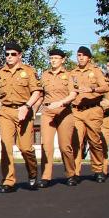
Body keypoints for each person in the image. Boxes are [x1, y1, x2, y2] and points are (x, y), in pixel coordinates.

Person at [0, 42, 42, 191]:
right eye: (7, 54)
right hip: (6, 112)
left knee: (26, 148)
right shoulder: (0, 73)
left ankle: (32, 174)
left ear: (19, 55)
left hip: (23, 111)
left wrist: (27, 107)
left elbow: (37, 91)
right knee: (6, 147)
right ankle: (8, 181)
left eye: (13, 54)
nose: (9, 57)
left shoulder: (28, 71)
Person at [35, 48, 78, 187]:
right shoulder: (45, 75)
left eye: (56, 58)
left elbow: (73, 94)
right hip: (48, 111)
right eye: (51, 58)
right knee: (46, 145)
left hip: (64, 111)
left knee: (65, 146)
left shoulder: (69, 75)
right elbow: (40, 95)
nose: (53, 60)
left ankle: (71, 174)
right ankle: (46, 177)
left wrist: (61, 102)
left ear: (63, 60)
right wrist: (33, 111)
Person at [69, 46, 109, 185]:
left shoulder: (96, 71)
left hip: (93, 110)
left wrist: (92, 89)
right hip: (77, 111)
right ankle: (74, 173)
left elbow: (105, 87)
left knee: (94, 141)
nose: (80, 57)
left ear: (89, 58)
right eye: (78, 55)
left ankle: (98, 170)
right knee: (76, 142)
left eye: (83, 55)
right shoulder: (72, 73)